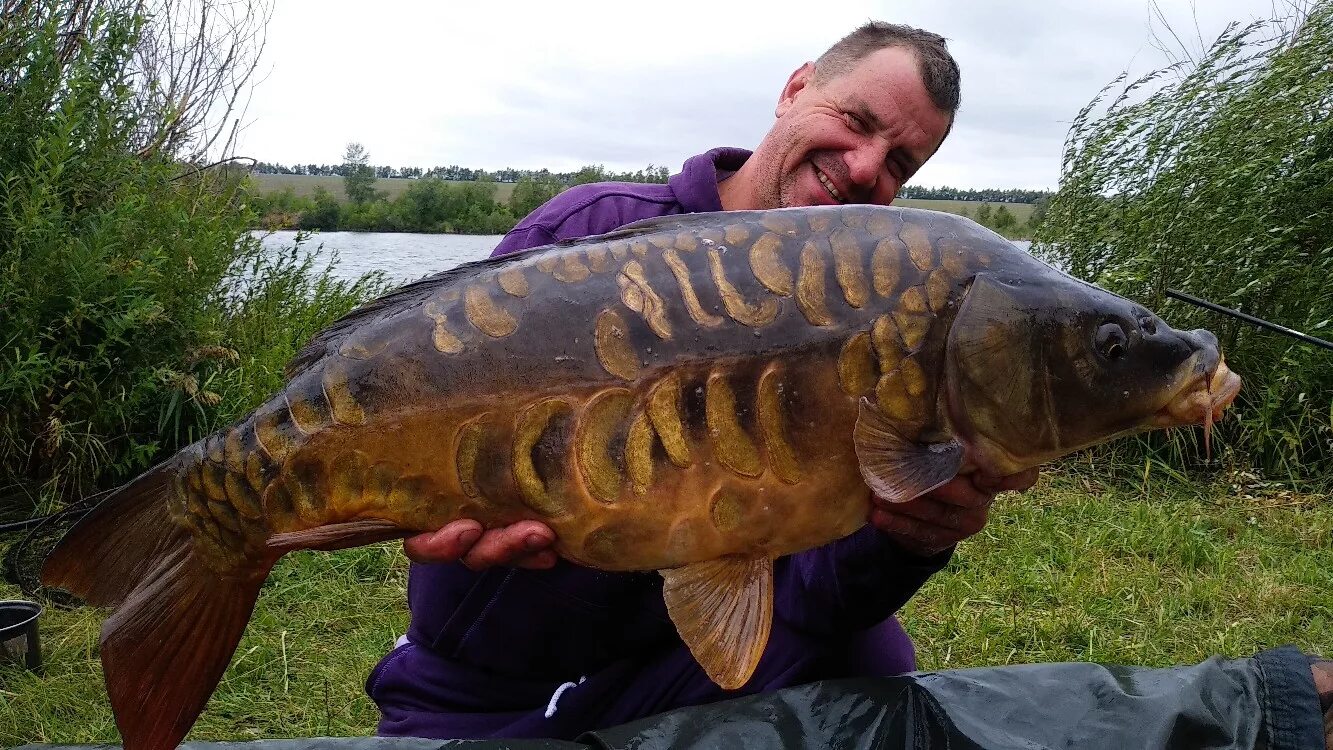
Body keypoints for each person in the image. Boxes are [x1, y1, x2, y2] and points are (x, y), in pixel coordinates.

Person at [365, 21, 1040, 739]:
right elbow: (430, 388)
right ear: (795, 88)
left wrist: (912, 537)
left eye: (899, 161)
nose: (865, 165)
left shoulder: (876, 318)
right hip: (499, 674)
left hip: (690, 648)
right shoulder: (595, 228)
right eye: (855, 121)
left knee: (873, 662)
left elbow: (821, 597)